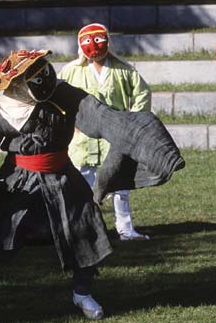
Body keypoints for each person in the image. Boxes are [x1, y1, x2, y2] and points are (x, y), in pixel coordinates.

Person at [0, 49, 184, 323]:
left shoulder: (65, 94)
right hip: (19, 183)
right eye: (34, 77)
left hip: (64, 178)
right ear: (19, 85)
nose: (45, 78)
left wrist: (142, 137)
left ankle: (82, 292)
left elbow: (101, 116)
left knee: (85, 229)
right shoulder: (1, 111)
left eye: (44, 70)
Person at [59, 23, 152, 241]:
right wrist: (70, 123)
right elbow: (59, 98)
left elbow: (142, 94)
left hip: (116, 135)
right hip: (83, 136)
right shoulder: (71, 71)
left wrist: (132, 122)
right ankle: (87, 229)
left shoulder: (123, 70)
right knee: (83, 184)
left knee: (119, 185)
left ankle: (126, 230)